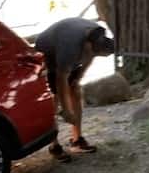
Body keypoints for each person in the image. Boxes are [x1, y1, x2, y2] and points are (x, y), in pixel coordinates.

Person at [31, 17, 115, 159]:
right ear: (88, 45)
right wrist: (67, 110)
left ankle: (77, 140)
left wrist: (78, 77)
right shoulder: (69, 47)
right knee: (56, 97)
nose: (94, 55)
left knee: (75, 90)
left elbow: (91, 56)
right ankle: (54, 145)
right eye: (93, 52)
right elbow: (61, 78)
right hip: (48, 51)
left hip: (73, 49)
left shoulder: (98, 36)